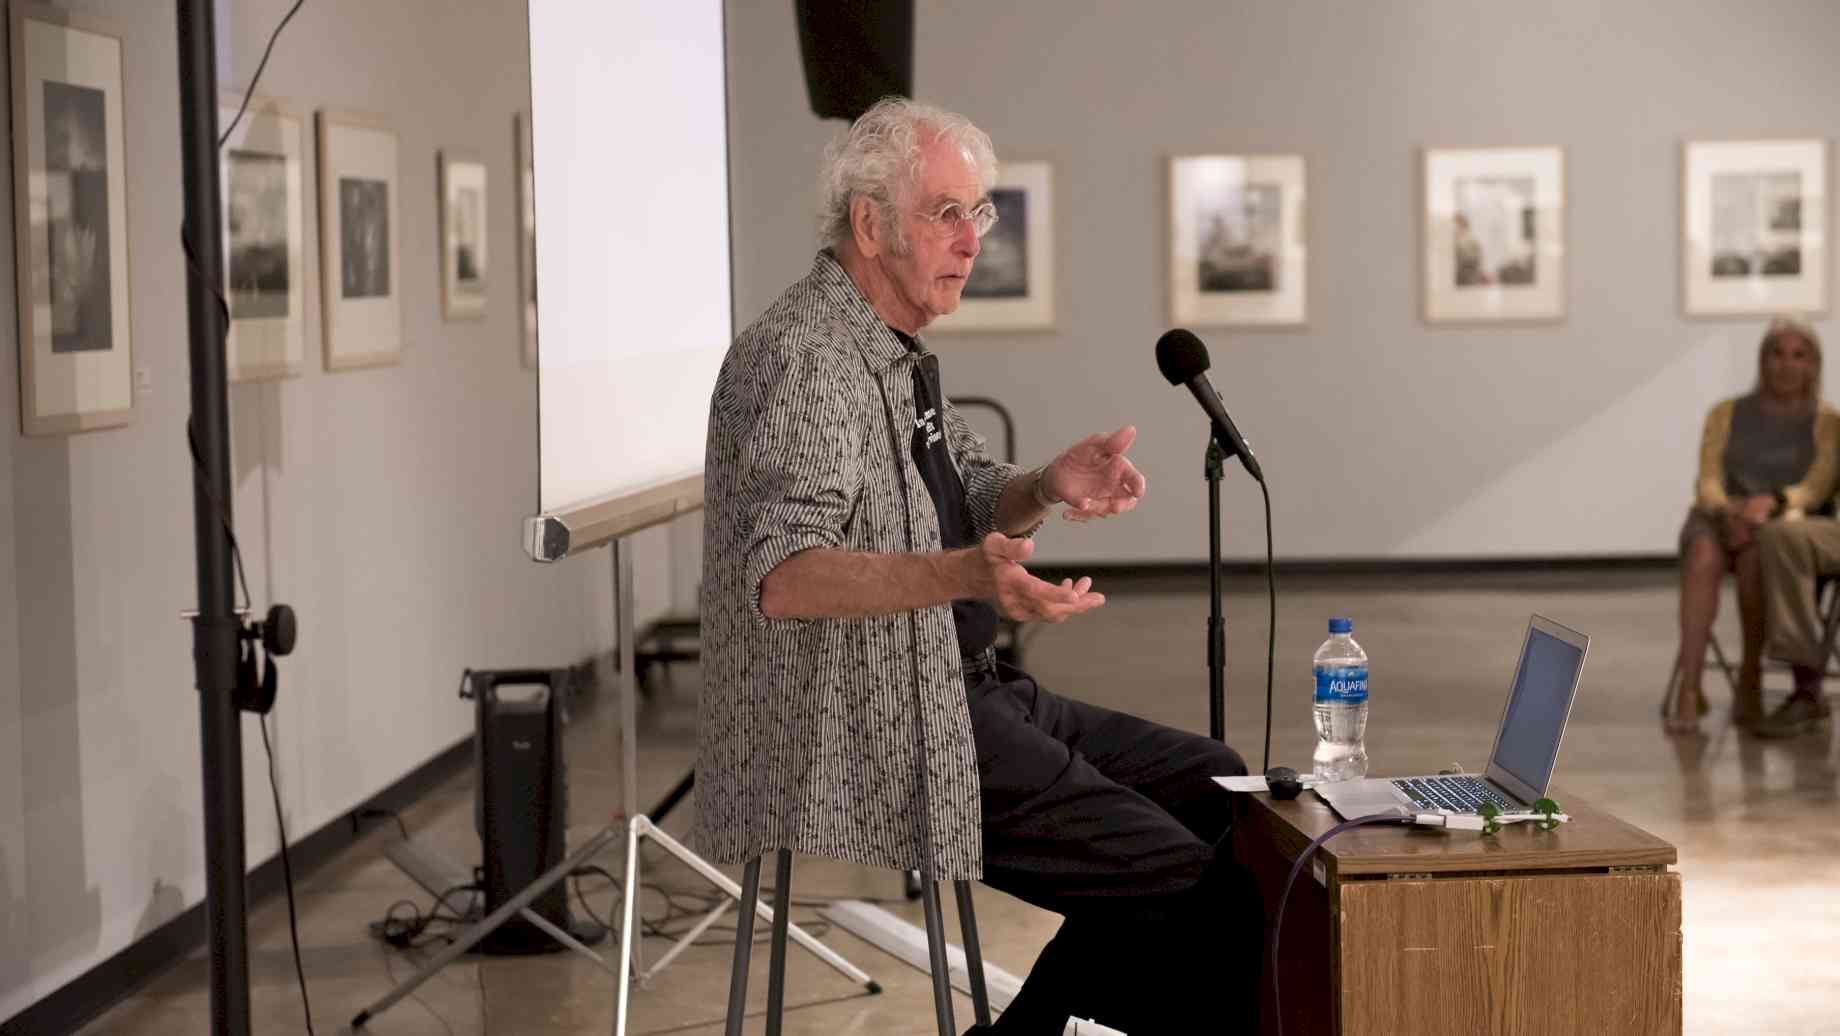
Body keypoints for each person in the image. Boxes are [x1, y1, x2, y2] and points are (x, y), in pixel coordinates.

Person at [695, 97, 1261, 1034]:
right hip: (870, 722)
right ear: (871, 224)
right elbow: (782, 576)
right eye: (946, 213)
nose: (972, 239)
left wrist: (1046, 483)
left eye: (979, 212)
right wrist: (963, 576)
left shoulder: (891, 347)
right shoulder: (802, 360)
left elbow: (961, 482)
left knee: (1220, 792)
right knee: (1205, 899)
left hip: (964, 689)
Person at [1666, 317, 1838, 734]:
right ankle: (1690, 687)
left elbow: (1816, 487)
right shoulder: (1725, 413)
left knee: (1755, 560)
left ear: (1814, 365)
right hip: (1719, 516)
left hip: (1779, 525)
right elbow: (1707, 478)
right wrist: (1730, 511)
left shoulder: (1828, 422)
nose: (1786, 365)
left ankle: (1750, 678)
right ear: (1762, 361)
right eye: (1776, 354)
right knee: (1703, 554)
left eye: (1799, 356)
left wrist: (1770, 507)